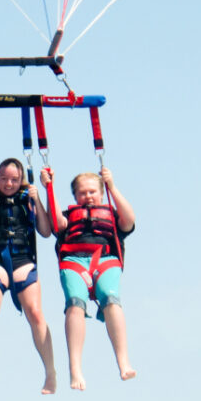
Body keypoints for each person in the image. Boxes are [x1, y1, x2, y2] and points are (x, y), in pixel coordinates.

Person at [43, 165, 136, 389]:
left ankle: (123, 362)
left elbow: (129, 221)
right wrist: (49, 187)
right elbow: (56, 224)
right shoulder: (68, 215)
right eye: (83, 193)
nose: (88, 197)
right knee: (75, 304)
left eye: (93, 192)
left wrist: (112, 186)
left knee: (111, 300)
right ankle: (75, 369)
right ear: (75, 196)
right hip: (74, 262)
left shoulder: (112, 215)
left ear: (101, 194)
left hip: (105, 260)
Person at [0, 158, 56, 394]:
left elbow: (46, 231)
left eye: (14, 179)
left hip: (22, 259)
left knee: (36, 314)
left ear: (20, 180)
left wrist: (37, 199)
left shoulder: (28, 199)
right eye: (3, 179)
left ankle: (50, 373)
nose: (8, 183)